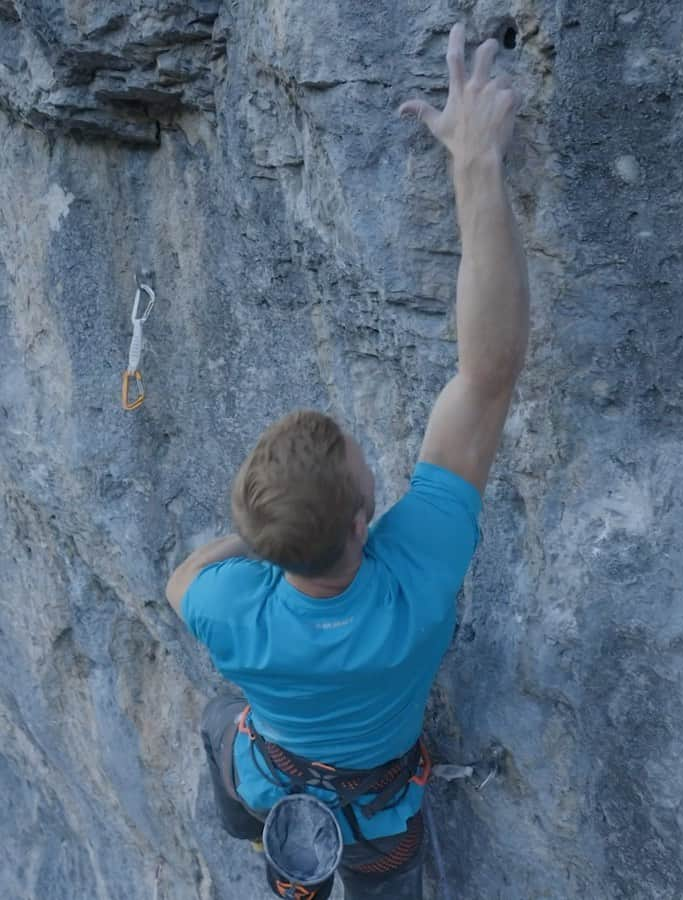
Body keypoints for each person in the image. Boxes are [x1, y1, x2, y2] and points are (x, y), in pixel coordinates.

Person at [166, 23, 529, 900]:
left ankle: (259, 829)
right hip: (375, 815)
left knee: (225, 724)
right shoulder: (416, 587)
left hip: (269, 776)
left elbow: (182, 581)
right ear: (366, 522)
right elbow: (486, 378)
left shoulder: (225, 608)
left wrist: (257, 542)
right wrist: (474, 161)